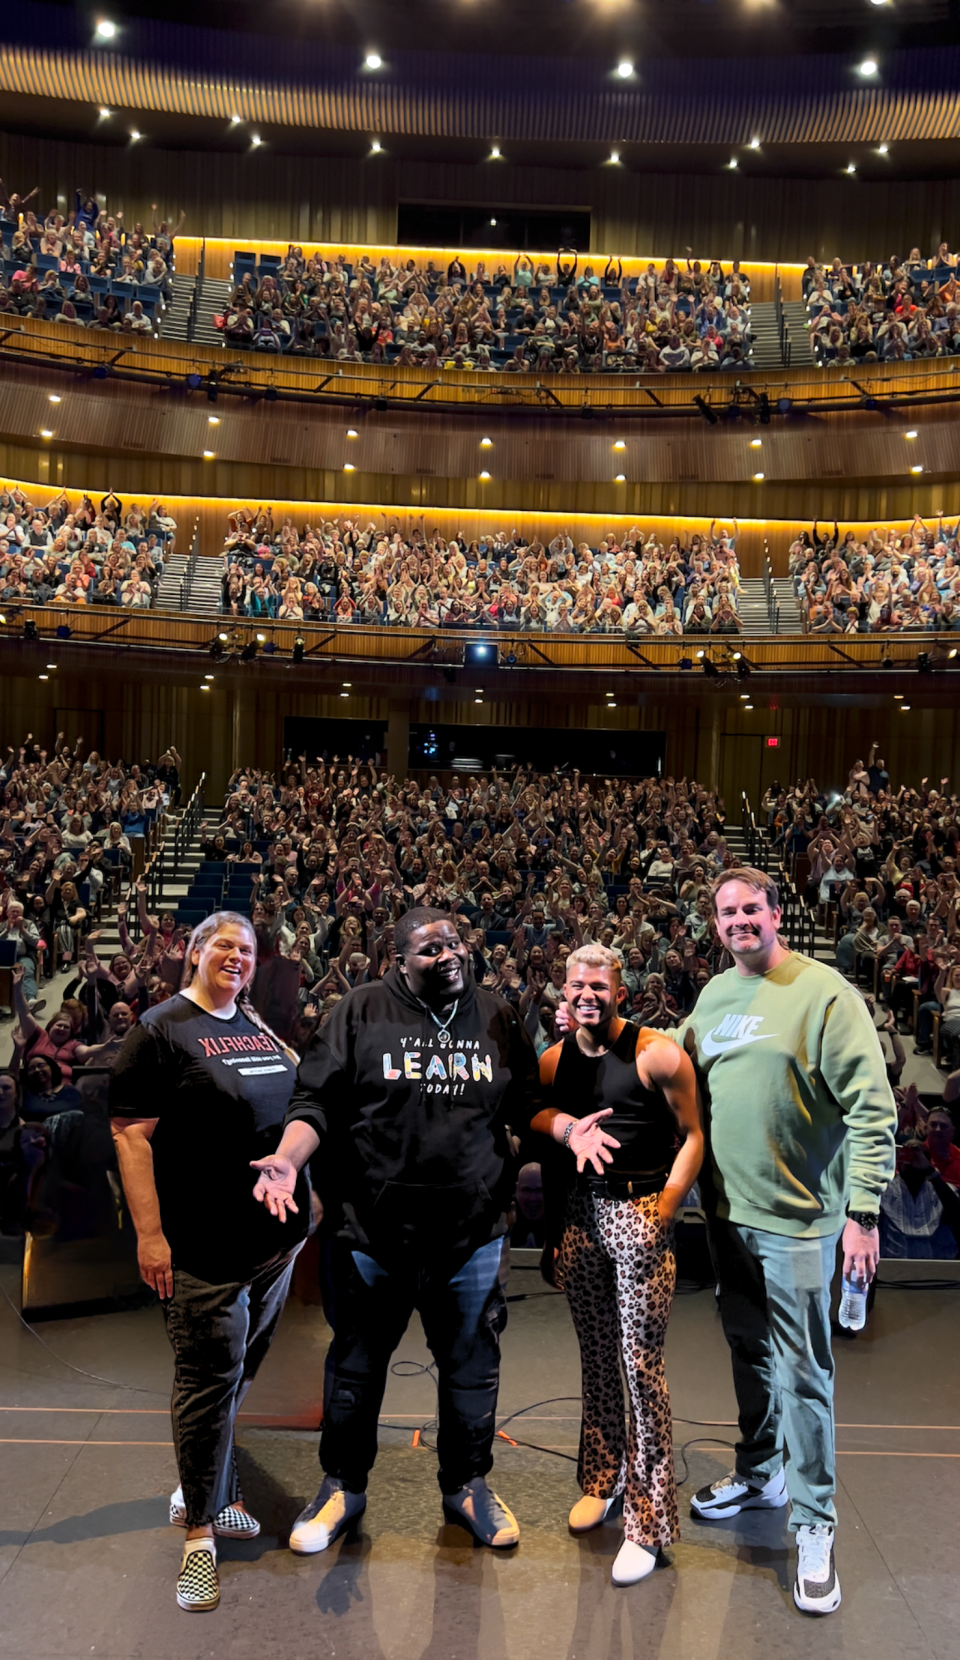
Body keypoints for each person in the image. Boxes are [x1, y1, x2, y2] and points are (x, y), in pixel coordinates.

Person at [250, 905, 539, 1554]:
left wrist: (530, 1158)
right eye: (431, 949)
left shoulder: (496, 1014)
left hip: (471, 1239)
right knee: (354, 1373)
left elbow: (526, 1104)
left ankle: (467, 1486)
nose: (449, 955)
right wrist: (288, 1161)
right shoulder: (359, 1012)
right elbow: (313, 1101)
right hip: (373, 1236)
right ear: (398, 960)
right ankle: (342, 1489)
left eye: (455, 943)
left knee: (472, 1373)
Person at [674, 868, 895, 1616]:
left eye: (751, 908)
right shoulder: (714, 995)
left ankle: (813, 1526)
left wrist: (863, 1215)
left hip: (800, 1224)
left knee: (804, 1375)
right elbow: (673, 1065)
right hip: (727, 1219)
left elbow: (873, 1109)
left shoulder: (825, 994)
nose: (739, 920)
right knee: (749, 1353)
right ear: (716, 925)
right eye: (726, 912)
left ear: (775, 915)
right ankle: (762, 1470)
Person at [110, 912, 308, 1614]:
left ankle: (216, 1492)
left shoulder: (255, 1026)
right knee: (206, 1380)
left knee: (237, 1375)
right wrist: (151, 1237)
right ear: (193, 952)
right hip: (202, 1249)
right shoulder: (161, 1030)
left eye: (248, 949)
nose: (237, 956)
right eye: (223, 944)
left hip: (271, 1245)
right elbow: (133, 1138)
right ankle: (198, 1536)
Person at [533, 945, 701, 1586]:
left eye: (599, 986)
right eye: (577, 984)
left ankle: (650, 1522)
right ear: (563, 991)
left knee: (640, 1367)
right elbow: (542, 1131)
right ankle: (602, 1481)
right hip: (579, 1218)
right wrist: (553, 1236)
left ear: (620, 992)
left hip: (639, 1213)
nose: (587, 995)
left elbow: (693, 1135)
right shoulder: (553, 1061)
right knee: (598, 1357)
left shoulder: (657, 1052)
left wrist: (665, 1209)